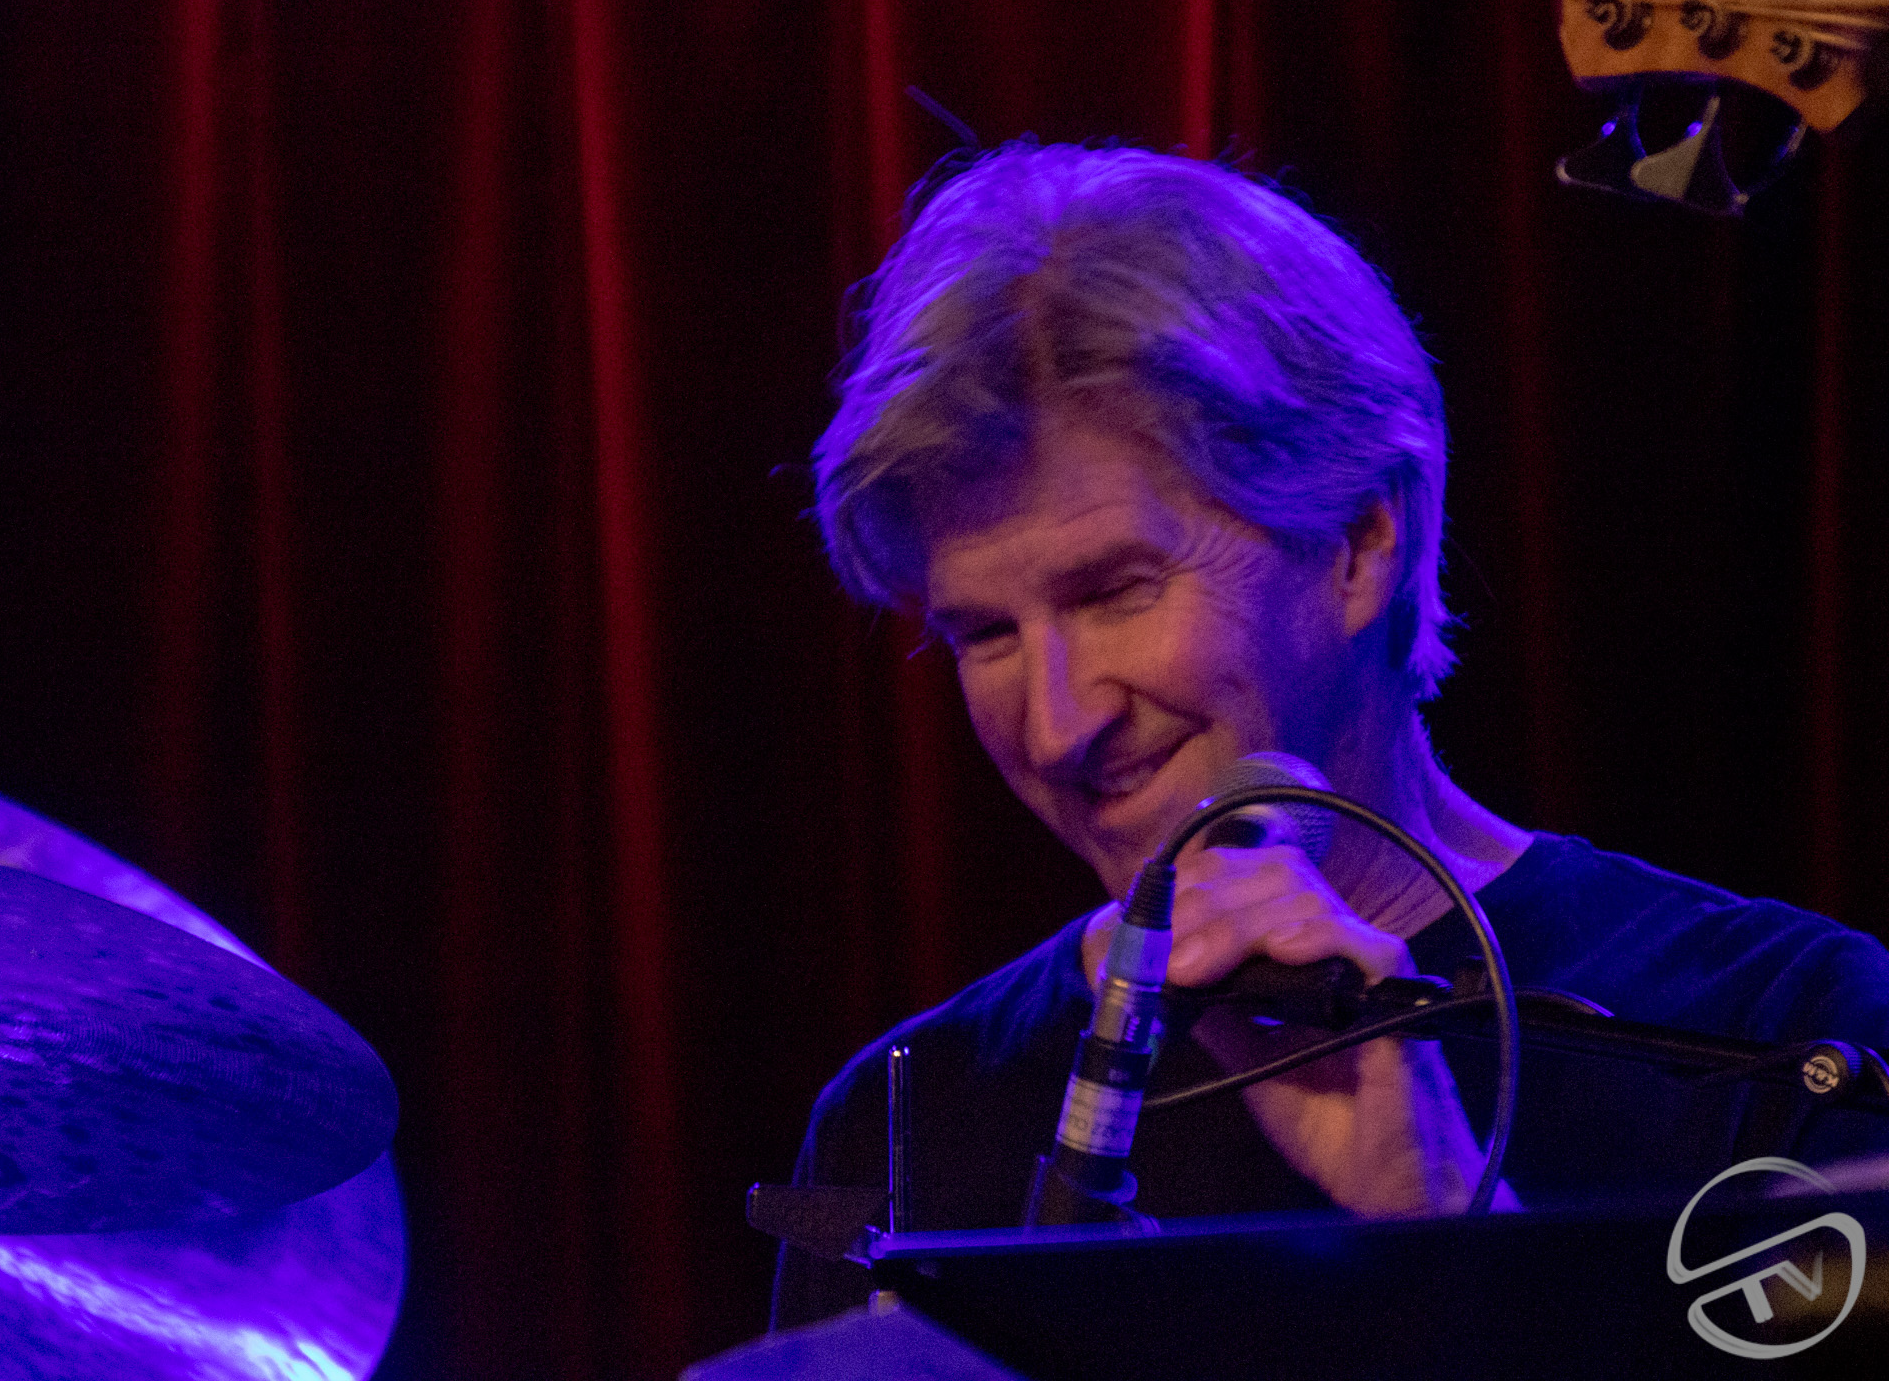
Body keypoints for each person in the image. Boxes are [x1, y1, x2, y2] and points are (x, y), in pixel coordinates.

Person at [772, 143, 1889, 1329]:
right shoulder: (909, 1113)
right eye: (986, 633)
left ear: (1360, 543)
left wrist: (1444, 1218)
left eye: (1115, 591)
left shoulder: (1796, 1040)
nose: (1056, 728)